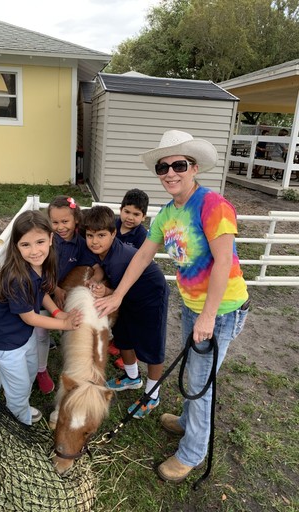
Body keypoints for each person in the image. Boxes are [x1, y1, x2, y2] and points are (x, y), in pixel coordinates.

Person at [94, 129, 249, 483]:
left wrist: (208, 316)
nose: (170, 173)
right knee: (194, 369)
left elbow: (224, 262)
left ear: (193, 167)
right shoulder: (167, 213)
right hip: (194, 306)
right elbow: (142, 256)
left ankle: (192, 453)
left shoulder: (213, 206)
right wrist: (117, 295)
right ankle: (186, 422)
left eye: (178, 164)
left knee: (200, 381)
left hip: (222, 309)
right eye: (163, 168)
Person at [0, 210, 82, 425]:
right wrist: (64, 323)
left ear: (50, 238)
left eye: (40, 242)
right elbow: (30, 317)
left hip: (24, 335)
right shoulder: (18, 277)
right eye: (25, 245)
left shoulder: (42, 265)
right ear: (16, 247)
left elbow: (44, 293)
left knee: (29, 374)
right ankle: (20, 425)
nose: (34, 251)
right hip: (7, 342)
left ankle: (21, 407)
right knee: (18, 388)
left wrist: (58, 313)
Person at [83, 205, 170, 419]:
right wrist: (99, 280)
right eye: (90, 235)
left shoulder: (121, 258)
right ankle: (132, 377)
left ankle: (152, 395)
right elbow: (103, 268)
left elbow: (123, 287)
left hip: (151, 296)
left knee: (152, 346)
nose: (95, 241)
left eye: (101, 235)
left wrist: (108, 291)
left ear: (114, 233)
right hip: (127, 297)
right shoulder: (105, 252)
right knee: (122, 336)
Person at [33, 196, 103, 393]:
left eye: (65, 222)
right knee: (40, 330)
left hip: (61, 292)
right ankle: (40, 370)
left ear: (76, 220)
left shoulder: (81, 244)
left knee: (72, 323)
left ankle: (72, 362)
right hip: (39, 291)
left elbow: (97, 267)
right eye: (55, 222)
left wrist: (95, 278)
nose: (60, 227)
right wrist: (55, 289)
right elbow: (37, 270)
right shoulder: (46, 240)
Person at [111, 188, 149, 369]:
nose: (130, 217)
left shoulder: (142, 236)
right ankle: (117, 343)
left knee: (130, 317)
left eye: (136, 214)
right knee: (115, 314)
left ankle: (131, 350)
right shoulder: (111, 226)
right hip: (111, 277)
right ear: (120, 210)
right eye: (127, 211)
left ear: (144, 216)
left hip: (131, 283)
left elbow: (142, 261)